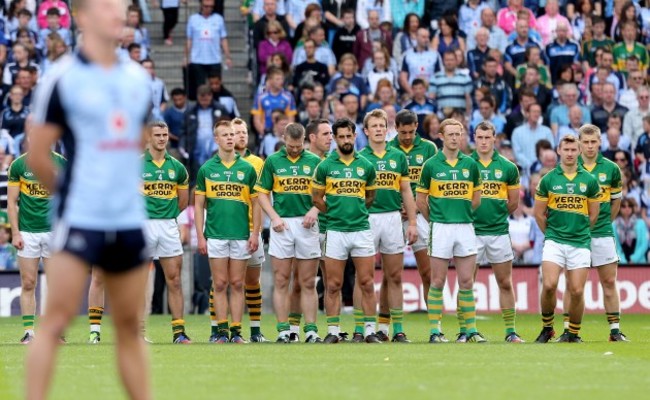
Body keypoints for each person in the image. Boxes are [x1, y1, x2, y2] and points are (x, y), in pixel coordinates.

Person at [25, 0, 154, 398]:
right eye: (106, 5)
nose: (117, 12)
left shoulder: (137, 77)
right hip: (80, 218)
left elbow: (141, 137)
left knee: (129, 328)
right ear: (81, 17)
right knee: (56, 321)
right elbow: (38, 154)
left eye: (121, 6)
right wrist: (71, 194)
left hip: (129, 220)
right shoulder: (62, 78)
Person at [416, 118, 484, 343]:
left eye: (459, 134)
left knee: (466, 281)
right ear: (441, 136)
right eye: (451, 134)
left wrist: (460, 213)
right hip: (441, 227)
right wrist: (436, 219)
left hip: (465, 226)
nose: (455, 138)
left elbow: (476, 199)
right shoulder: (431, 165)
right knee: (437, 281)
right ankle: (435, 331)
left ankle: (470, 330)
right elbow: (421, 201)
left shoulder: (471, 165)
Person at [312, 117, 379, 343]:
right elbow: (317, 198)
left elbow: (370, 198)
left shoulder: (366, 166)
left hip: (361, 229)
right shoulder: (325, 166)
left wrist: (354, 210)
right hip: (336, 231)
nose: (345, 140)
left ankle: (370, 331)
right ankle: (333, 332)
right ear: (334, 138)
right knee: (332, 284)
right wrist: (334, 213)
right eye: (340, 136)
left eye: (349, 136)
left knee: (367, 282)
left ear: (355, 135)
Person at [256, 122, 322, 343]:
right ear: (284, 138)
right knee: (282, 279)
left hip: (307, 225)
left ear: (305, 140)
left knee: (308, 281)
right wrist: (273, 217)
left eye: (298, 146)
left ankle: (311, 330)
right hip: (282, 225)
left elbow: (328, 192)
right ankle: (283, 330)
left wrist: (315, 209)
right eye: (291, 146)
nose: (295, 150)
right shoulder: (273, 161)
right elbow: (262, 194)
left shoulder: (315, 161)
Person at [195, 121, 260, 344]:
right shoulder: (207, 169)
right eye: (225, 135)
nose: (230, 138)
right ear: (216, 139)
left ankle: (236, 331)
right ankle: (221, 331)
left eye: (232, 134)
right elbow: (198, 205)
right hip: (215, 234)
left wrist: (255, 233)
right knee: (220, 283)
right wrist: (200, 235)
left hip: (241, 234)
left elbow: (257, 204)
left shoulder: (248, 169)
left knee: (238, 283)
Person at [533, 134, 600, 344]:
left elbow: (594, 215)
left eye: (573, 150)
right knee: (550, 285)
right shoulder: (549, 180)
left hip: (580, 242)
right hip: (554, 240)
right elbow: (538, 214)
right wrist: (552, 234)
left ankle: (573, 333)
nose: (570, 153)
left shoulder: (589, 180)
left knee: (577, 290)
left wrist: (578, 231)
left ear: (579, 151)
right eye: (566, 150)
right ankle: (547, 328)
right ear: (558, 151)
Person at [358, 109, 417, 342]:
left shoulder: (398, 157)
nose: (379, 129)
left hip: (393, 217)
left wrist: (412, 222)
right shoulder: (360, 158)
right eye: (374, 126)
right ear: (366, 131)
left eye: (382, 125)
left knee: (394, 275)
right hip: (368, 219)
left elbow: (406, 191)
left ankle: (397, 329)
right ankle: (362, 329)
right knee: (364, 278)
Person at [563, 125, 626, 342]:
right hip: (575, 235)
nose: (590, 147)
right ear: (579, 143)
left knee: (609, 282)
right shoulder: (569, 166)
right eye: (586, 142)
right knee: (572, 285)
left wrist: (604, 222)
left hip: (602, 233)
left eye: (593, 142)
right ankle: (567, 330)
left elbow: (615, 202)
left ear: (600, 142)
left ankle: (615, 331)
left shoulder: (611, 169)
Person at [139, 121, 191, 344]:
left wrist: (166, 214)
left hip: (169, 225)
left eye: (165, 135)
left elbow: (183, 201)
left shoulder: (177, 167)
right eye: (157, 135)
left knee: (175, 280)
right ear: (148, 138)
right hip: (144, 225)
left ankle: (179, 332)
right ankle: (138, 332)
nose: (162, 138)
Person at [470, 121, 522, 343]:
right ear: (475, 138)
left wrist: (495, 214)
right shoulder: (465, 164)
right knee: (466, 283)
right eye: (479, 137)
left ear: (494, 139)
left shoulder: (508, 168)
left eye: (487, 137)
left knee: (505, 282)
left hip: (498, 231)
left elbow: (513, 203)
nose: (483, 142)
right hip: (470, 231)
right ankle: (468, 330)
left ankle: (510, 330)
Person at [7, 149, 65, 343]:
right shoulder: (19, 165)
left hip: (53, 232)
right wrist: (15, 232)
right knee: (28, 282)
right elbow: (12, 202)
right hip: (27, 231)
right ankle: (29, 332)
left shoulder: (61, 163)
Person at [388, 109, 437, 312]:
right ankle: (388, 326)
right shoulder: (388, 148)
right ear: (396, 129)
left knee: (428, 273)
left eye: (411, 132)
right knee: (392, 275)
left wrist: (416, 206)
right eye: (403, 133)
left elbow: (437, 182)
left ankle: (436, 326)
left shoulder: (429, 149)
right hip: (393, 215)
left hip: (419, 215)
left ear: (416, 126)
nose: (407, 137)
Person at [185, 0, 232, 100]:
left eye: (211, 7)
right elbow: (189, 39)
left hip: (214, 59)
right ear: (201, 5)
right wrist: (186, 56)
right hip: (198, 59)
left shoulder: (219, 19)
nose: (208, 9)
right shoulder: (193, 19)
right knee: (200, 87)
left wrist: (228, 56)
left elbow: (223, 38)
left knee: (215, 87)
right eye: (206, 6)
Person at [613, 197, 648, 264]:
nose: (627, 208)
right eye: (623, 206)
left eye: (630, 206)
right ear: (619, 208)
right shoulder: (614, 225)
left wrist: (634, 259)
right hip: (621, 263)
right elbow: (614, 246)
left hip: (639, 262)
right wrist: (623, 261)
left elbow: (644, 244)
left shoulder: (641, 223)